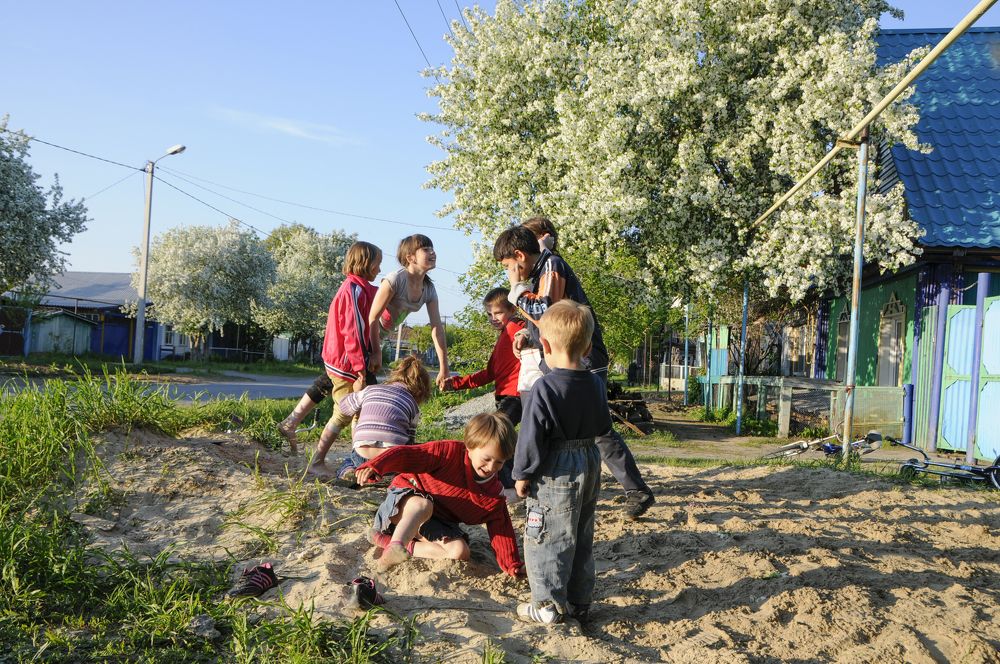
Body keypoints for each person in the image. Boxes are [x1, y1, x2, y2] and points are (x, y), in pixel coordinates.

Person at [493, 221, 655, 520]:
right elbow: (550, 320)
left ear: (519, 255)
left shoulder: (551, 265)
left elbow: (547, 311)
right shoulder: (542, 269)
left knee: (598, 429)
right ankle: (545, 483)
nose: (508, 272)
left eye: (507, 266)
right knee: (563, 426)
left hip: (582, 359)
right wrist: (527, 334)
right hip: (562, 358)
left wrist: (515, 288)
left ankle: (637, 490)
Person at [513, 300, 606, 625]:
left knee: (547, 535)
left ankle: (547, 604)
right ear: (588, 347)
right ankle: (579, 601)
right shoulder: (595, 383)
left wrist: (522, 473)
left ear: (546, 346)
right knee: (580, 532)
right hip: (589, 461)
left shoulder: (545, 386)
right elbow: (603, 426)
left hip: (556, 467)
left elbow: (531, 436)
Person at [354, 412, 524, 578]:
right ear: (470, 446)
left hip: (435, 523)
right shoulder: (447, 453)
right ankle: (396, 545)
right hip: (403, 506)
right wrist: (377, 466)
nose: (491, 467)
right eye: (486, 459)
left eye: (499, 462)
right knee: (423, 506)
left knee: (460, 551)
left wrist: (512, 565)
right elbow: (406, 455)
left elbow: (502, 528)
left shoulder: (492, 493)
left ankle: (385, 541)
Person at [277, 241, 382, 454]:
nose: (380, 270)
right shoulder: (354, 291)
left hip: (341, 359)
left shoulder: (358, 288)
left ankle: (291, 423)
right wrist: (361, 368)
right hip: (349, 362)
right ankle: (334, 459)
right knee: (351, 410)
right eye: (377, 264)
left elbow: (378, 294)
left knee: (357, 401)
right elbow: (353, 331)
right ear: (366, 264)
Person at [369, 234, 449, 391]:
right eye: (426, 249)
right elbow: (372, 317)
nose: (432, 252)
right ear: (410, 257)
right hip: (363, 337)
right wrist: (376, 352)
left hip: (377, 339)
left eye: (432, 248)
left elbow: (437, 329)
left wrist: (444, 367)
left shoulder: (429, 289)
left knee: (343, 383)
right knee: (362, 386)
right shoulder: (395, 280)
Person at [334, 355, 433, 482]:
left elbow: (344, 407)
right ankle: (385, 475)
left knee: (349, 460)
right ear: (421, 391)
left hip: (362, 455)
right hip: (389, 461)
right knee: (406, 457)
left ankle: (348, 471)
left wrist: (356, 392)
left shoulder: (370, 390)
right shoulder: (413, 405)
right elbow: (409, 444)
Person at [444, 287, 524, 425]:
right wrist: (456, 383)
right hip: (503, 396)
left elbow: (534, 328)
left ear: (512, 310)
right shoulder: (503, 335)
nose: (493, 318)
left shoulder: (515, 326)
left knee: (495, 431)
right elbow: (489, 374)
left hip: (516, 396)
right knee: (499, 433)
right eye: (489, 314)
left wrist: (524, 334)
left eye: (498, 313)